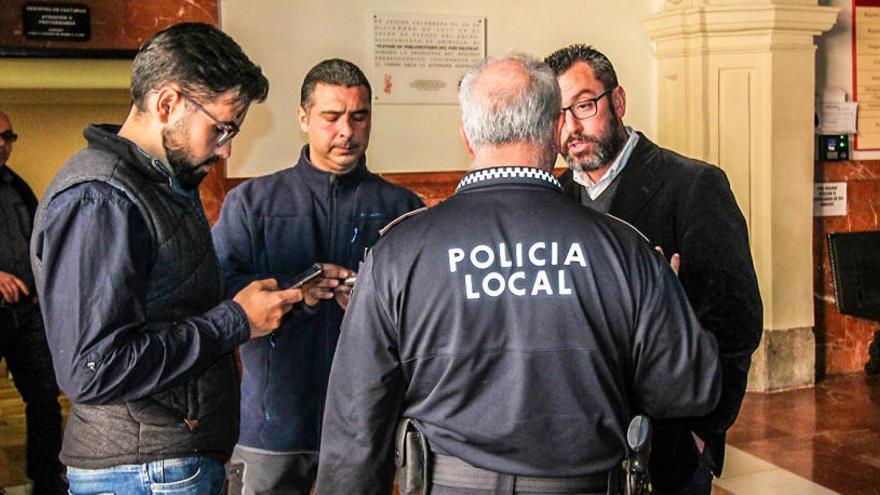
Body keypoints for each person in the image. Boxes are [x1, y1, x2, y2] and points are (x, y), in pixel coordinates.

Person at [314, 53, 721, 495]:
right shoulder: (625, 250)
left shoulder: (399, 253)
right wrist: (671, 315)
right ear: (554, 129)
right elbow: (688, 391)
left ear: (467, 137)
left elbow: (355, 424)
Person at [29, 23, 303, 493]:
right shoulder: (101, 198)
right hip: (143, 471)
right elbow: (92, 369)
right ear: (168, 103)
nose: (226, 149)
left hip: (166, 461)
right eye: (221, 128)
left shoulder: (164, 183)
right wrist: (236, 321)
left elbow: (170, 300)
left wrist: (265, 296)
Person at [544, 44, 764, 495]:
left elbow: (737, 321)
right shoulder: (552, 199)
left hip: (669, 445)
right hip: (579, 449)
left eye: (584, 106)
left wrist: (703, 429)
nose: (571, 128)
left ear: (618, 102)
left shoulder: (693, 186)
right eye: (557, 113)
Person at [212, 58, 424, 494]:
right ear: (303, 118)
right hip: (272, 426)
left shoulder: (402, 208)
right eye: (331, 117)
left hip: (364, 428)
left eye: (359, 116)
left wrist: (372, 303)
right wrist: (291, 290)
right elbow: (216, 290)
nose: (346, 131)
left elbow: (426, 313)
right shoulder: (251, 202)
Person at [0, 111, 66, 494]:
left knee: (44, 397)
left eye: (9, 136)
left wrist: (43, 281)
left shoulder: (16, 186)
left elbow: (40, 240)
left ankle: (46, 477)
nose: (4, 144)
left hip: (26, 312)